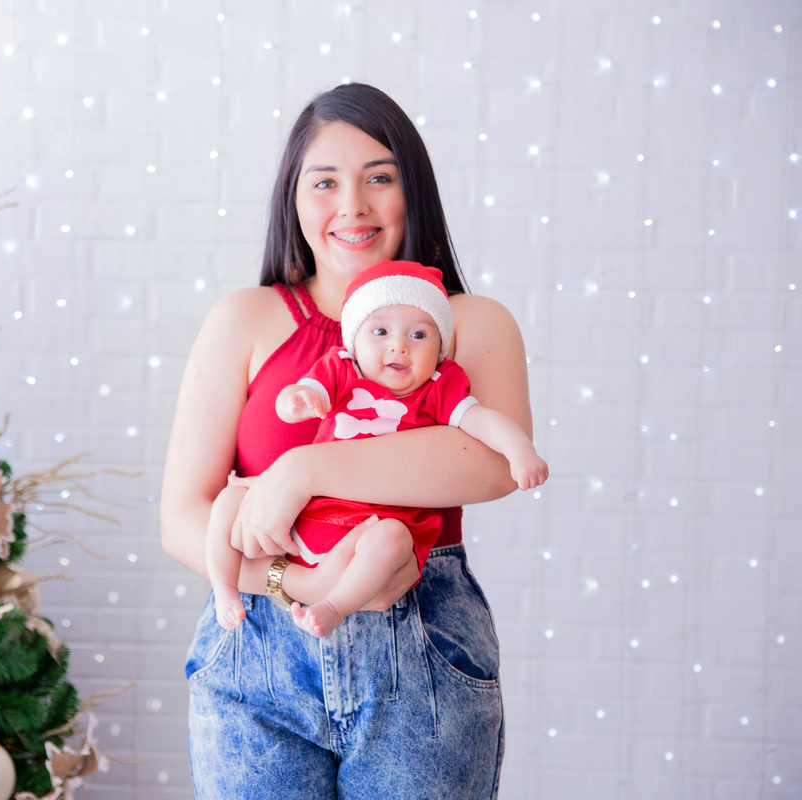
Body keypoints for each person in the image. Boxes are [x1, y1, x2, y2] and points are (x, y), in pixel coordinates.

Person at [161, 82, 534, 799]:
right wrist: (296, 583)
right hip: (256, 652)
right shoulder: (245, 319)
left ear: (412, 191)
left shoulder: (470, 322)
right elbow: (182, 517)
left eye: (379, 178)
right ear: (293, 201)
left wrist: (303, 469)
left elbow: (488, 465)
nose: (352, 206)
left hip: (423, 657)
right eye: (324, 182)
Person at [203, 260, 548, 639]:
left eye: (419, 335)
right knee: (227, 502)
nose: (398, 345)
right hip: (308, 518)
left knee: (394, 541)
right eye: (380, 331)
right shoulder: (342, 368)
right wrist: (296, 401)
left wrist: (521, 451)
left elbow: (483, 422)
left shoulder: (438, 387)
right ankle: (224, 589)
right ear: (355, 340)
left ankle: (333, 607)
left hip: (376, 526)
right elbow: (301, 393)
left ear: (439, 350)